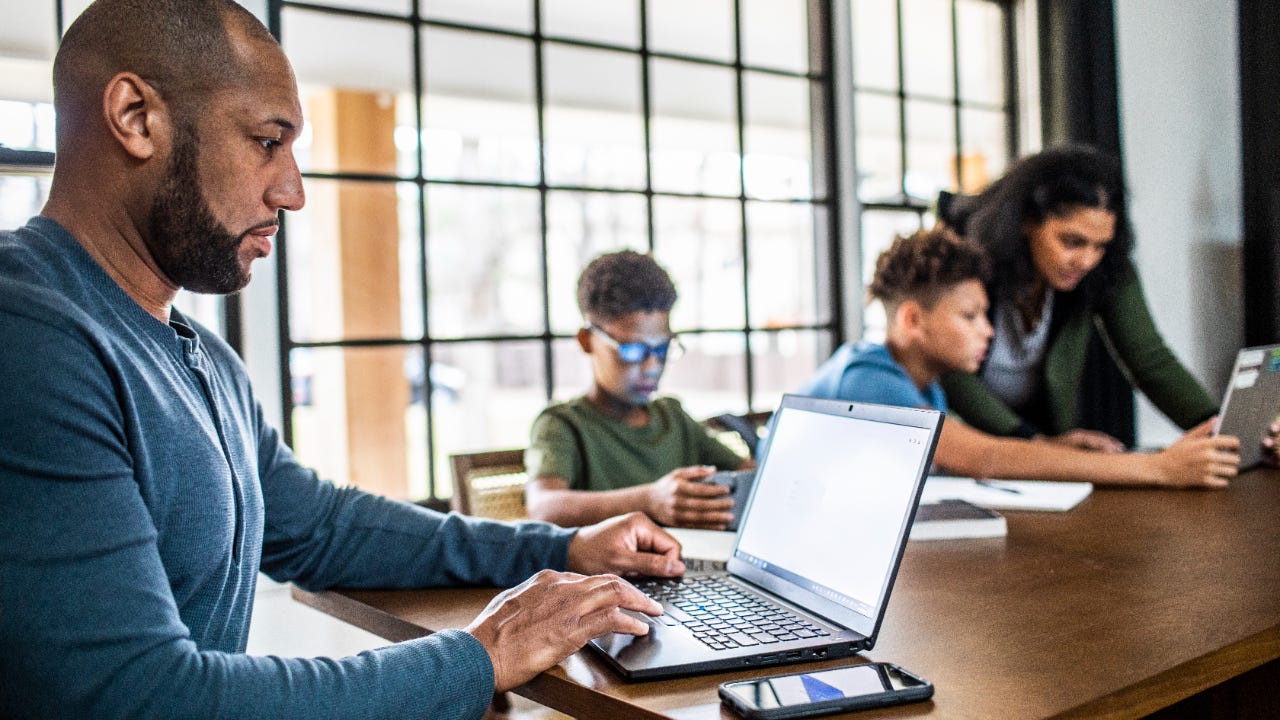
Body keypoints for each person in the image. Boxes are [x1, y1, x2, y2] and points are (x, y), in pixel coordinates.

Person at [0, 2, 687, 717]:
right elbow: (142, 697)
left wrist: (564, 550)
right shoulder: (28, 334)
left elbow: (322, 527)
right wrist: (478, 658)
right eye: (268, 141)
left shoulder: (204, 359)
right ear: (137, 116)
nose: (291, 191)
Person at [799, 227, 1244, 487]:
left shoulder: (922, 382)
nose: (988, 331)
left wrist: (1048, 447)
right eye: (970, 316)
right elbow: (982, 457)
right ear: (913, 320)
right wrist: (1158, 468)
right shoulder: (869, 380)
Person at [936, 146, 1217, 451]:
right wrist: (1034, 443)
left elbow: (1150, 360)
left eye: (1100, 246)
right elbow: (952, 372)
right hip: (969, 446)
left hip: (1043, 442)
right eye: (1072, 242)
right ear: (1027, 220)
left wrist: (1218, 427)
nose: (1086, 261)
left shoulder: (1103, 268)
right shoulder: (967, 262)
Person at [524, 250, 755, 530]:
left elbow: (750, 476)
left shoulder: (673, 417)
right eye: (633, 350)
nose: (652, 366)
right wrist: (648, 500)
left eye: (662, 348)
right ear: (587, 341)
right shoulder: (562, 425)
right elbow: (543, 507)